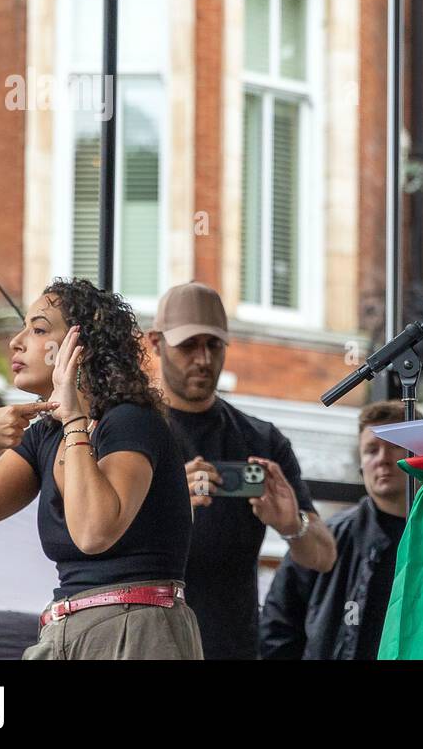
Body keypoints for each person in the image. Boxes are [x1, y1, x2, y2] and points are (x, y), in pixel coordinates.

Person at [0, 278, 201, 659]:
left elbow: (94, 532)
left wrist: (75, 418)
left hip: (137, 628)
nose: (17, 341)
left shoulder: (130, 422)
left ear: (81, 345)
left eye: (39, 328)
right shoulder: (45, 435)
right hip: (66, 629)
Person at [147, 281, 336, 660]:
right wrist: (165, 504)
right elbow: (90, 539)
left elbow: (324, 556)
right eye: (188, 345)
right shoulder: (132, 431)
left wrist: (290, 524)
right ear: (155, 343)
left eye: (214, 345)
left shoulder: (261, 440)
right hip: (145, 644)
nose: (202, 359)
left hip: (232, 647)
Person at [259, 400, 417, 659]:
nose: (382, 459)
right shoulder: (326, 539)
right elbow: (278, 628)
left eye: (395, 446)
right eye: (371, 450)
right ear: (361, 464)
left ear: (419, 454)